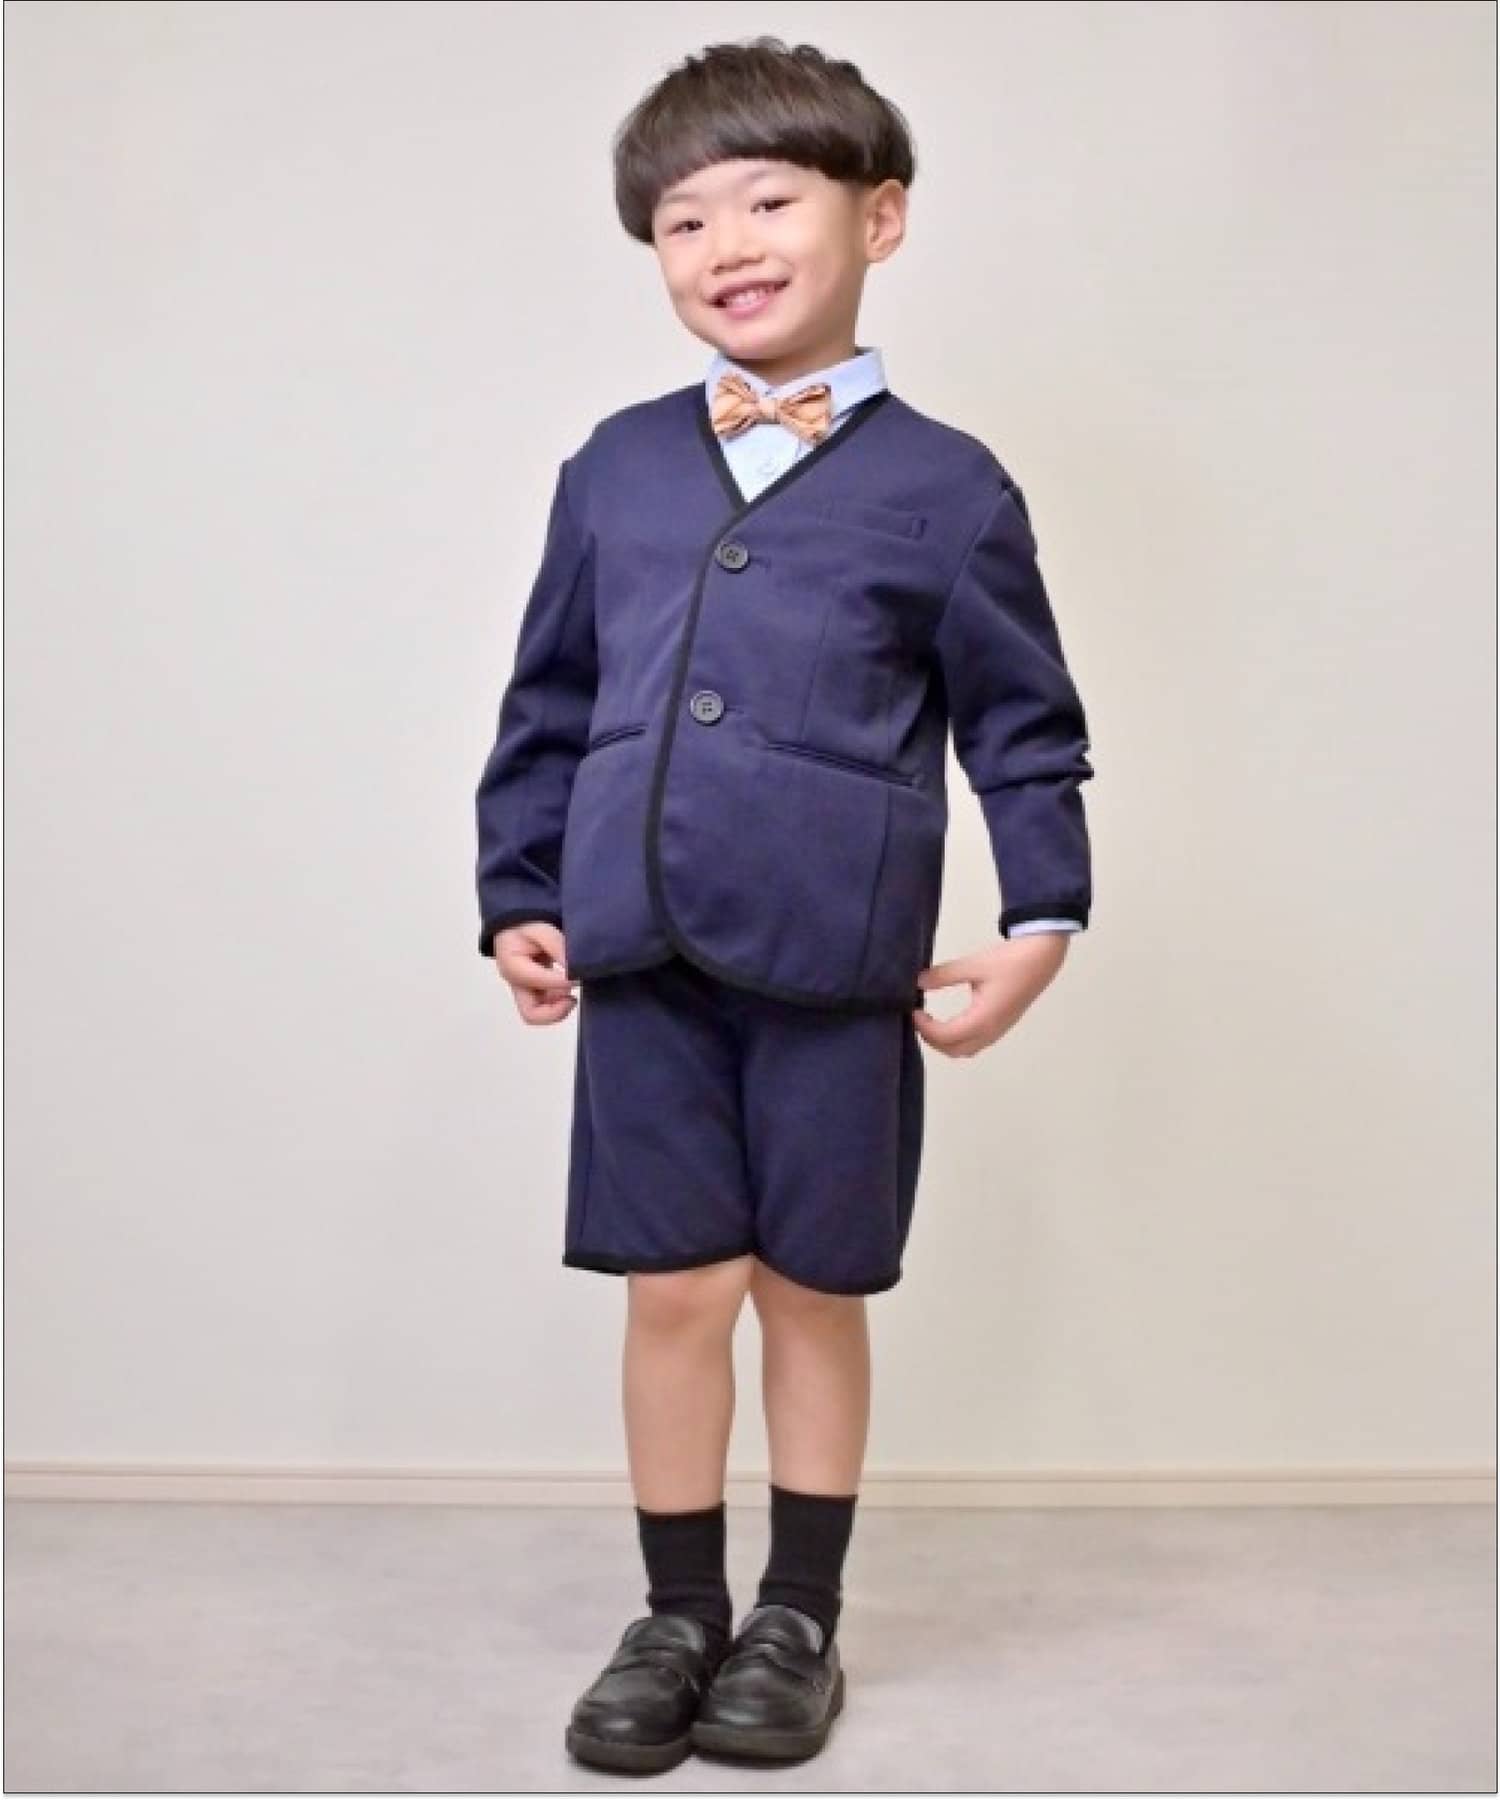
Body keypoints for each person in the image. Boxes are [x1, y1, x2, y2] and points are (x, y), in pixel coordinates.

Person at [472, 35, 1095, 1775]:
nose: (726, 244)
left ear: (877, 218)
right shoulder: (614, 467)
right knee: (674, 1288)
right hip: (641, 951)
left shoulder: (949, 489)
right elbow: (548, 699)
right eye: (684, 221)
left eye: (767, 201)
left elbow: (1025, 728)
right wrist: (518, 888)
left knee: (813, 1287)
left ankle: (797, 1616)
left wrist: (1042, 924)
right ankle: (678, 1612)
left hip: (837, 954)